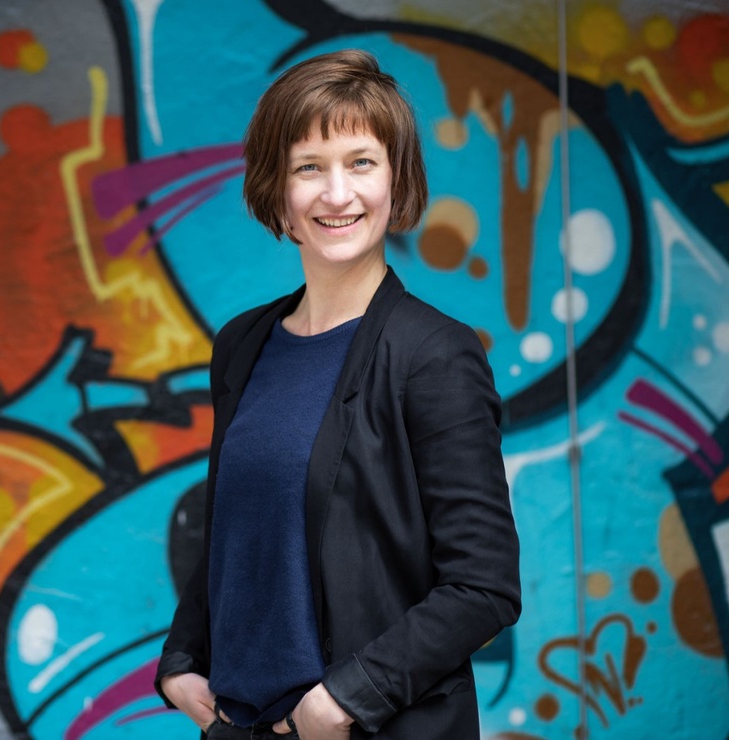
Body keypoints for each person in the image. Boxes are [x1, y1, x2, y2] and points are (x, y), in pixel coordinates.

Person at [154, 49, 521, 739]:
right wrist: (180, 662)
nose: (336, 193)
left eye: (361, 162)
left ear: (396, 179)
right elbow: (241, 530)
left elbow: (484, 586)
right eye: (308, 167)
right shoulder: (243, 343)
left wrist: (345, 699)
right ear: (277, 190)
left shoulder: (434, 354)